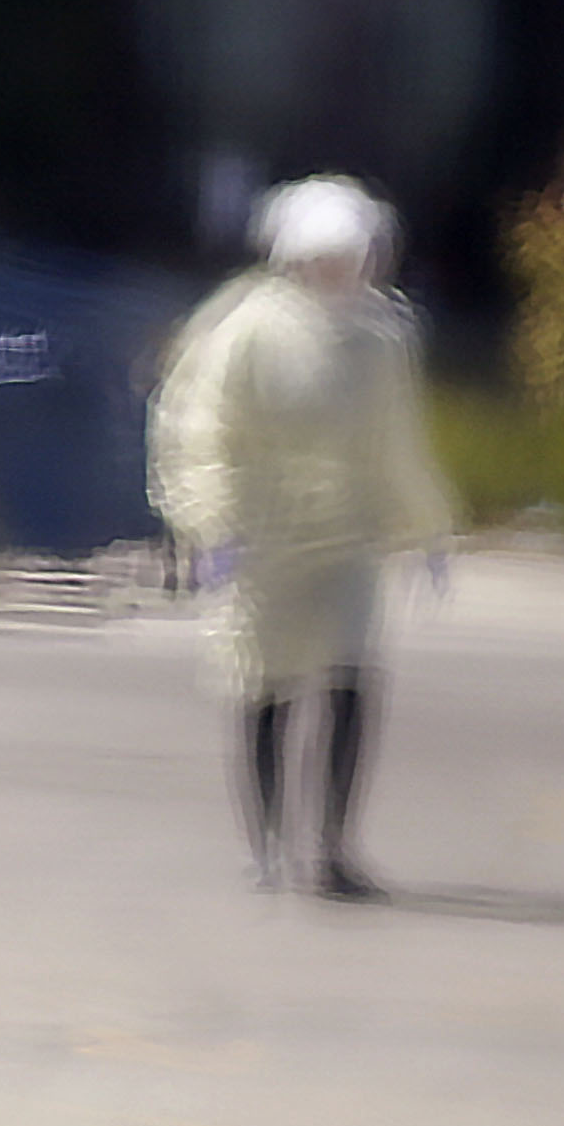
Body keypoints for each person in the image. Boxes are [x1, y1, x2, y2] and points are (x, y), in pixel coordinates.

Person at [144, 174, 459, 900]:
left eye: (352, 258)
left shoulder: (383, 337)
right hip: (265, 539)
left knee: (351, 678)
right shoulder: (246, 330)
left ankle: (334, 849)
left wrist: (427, 526)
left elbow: (397, 442)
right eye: (326, 258)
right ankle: (270, 846)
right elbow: (198, 431)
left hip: (347, 537)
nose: (342, 273)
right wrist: (211, 524)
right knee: (266, 686)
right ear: (294, 257)